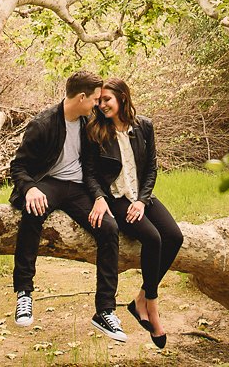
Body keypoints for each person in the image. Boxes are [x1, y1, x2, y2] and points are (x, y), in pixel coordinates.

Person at [7, 70, 128, 342]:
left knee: (109, 227)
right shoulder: (43, 123)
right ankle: (24, 293)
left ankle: (105, 311)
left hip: (79, 188)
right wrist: (30, 188)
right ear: (82, 97)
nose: (99, 104)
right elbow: (18, 166)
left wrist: (99, 198)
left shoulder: (88, 122)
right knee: (32, 211)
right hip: (48, 183)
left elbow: (92, 168)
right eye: (96, 99)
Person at [82, 77, 181, 349]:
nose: (101, 105)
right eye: (99, 101)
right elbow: (89, 174)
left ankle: (140, 300)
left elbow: (151, 168)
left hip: (142, 197)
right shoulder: (95, 130)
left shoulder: (144, 126)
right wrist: (100, 198)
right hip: (116, 199)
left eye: (107, 100)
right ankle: (153, 306)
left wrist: (143, 200)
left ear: (122, 98)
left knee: (174, 237)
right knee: (153, 238)